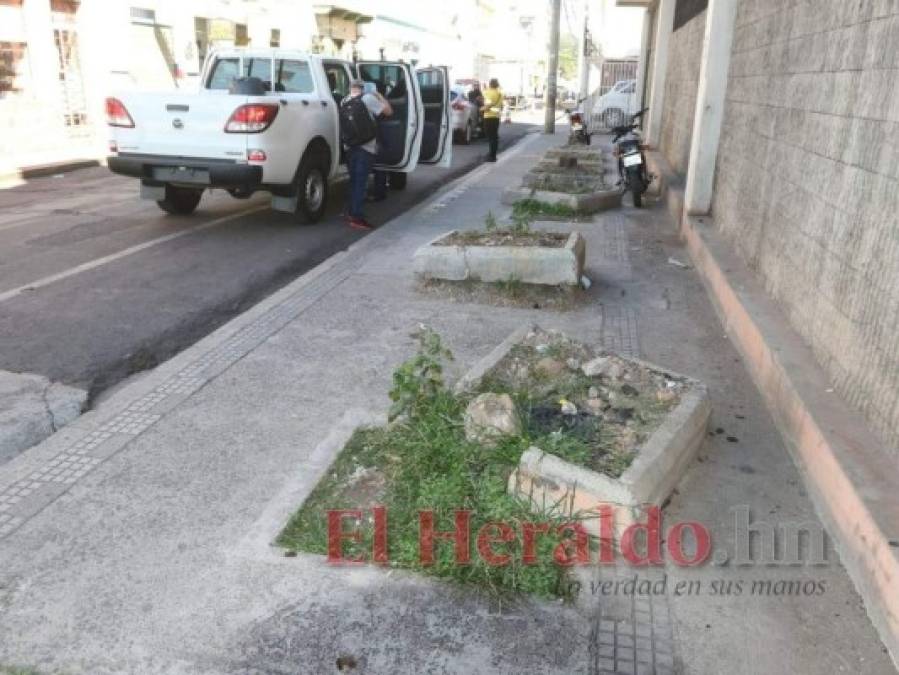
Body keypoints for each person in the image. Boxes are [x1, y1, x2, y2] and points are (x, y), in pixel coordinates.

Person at [341, 79, 392, 230]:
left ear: (350, 88)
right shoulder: (367, 98)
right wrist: (380, 95)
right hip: (366, 147)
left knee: (353, 181)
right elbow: (389, 112)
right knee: (360, 183)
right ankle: (356, 217)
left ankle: (351, 212)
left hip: (349, 146)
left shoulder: (344, 100)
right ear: (362, 88)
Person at [481, 78, 503, 162]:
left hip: (489, 117)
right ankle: (493, 154)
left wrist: (481, 109)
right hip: (496, 117)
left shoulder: (488, 93)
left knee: (491, 137)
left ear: (490, 84)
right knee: (494, 137)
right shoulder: (500, 93)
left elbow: (488, 104)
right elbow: (500, 106)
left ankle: (491, 156)